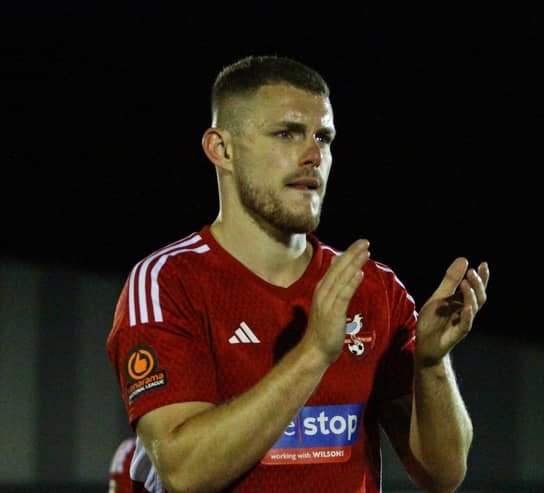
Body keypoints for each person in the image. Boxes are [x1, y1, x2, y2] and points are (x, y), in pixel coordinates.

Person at [106, 54, 489, 492]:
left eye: (323, 138)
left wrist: (432, 363)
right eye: (287, 134)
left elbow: (442, 474)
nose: (313, 155)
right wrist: (313, 355)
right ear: (222, 149)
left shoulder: (374, 288)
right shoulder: (167, 282)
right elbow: (184, 471)